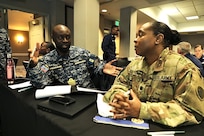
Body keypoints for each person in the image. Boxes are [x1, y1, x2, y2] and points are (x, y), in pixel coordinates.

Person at [103, 21, 204, 127]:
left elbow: (191, 111)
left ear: (158, 39)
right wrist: (120, 99)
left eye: (141, 35)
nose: (135, 39)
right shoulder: (134, 65)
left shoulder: (183, 67)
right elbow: (118, 85)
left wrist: (143, 110)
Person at [27, 24, 122, 89]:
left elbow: (96, 65)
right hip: (65, 98)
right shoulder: (47, 60)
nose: (65, 40)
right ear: (53, 39)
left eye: (67, 37)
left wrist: (102, 67)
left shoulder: (82, 53)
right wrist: (33, 66)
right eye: (61, 37)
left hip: (87, 93)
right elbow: (41, 83)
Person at [101, 25, 119, 90]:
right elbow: (104, 47)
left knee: (112, 75)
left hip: (112, 58)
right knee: (108, 75)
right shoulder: (107, 37)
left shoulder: (113, 38)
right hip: (108, 59)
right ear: (112, 29)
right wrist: (110, 55)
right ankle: (105, 88)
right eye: (116, 30)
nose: (117, 32)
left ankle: (111, 87)